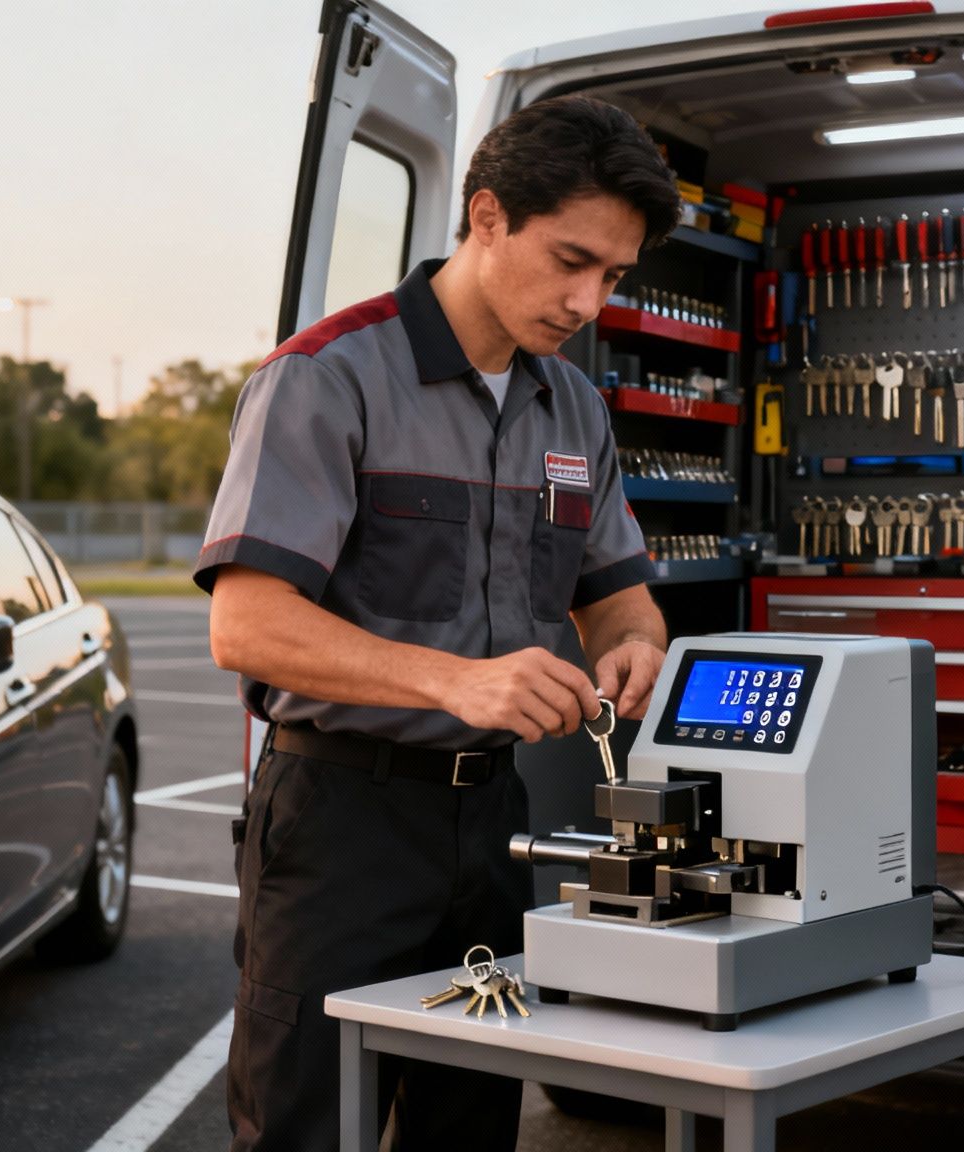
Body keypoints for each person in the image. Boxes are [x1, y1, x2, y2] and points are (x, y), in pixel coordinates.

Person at [197, 94, 680, 1152]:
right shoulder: (326, 378)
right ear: (487, 215)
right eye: (570, 261)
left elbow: (614, 591)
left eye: (612, 276)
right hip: (340, 825)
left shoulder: (574, 411)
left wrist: (631, 644)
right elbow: (247, 625)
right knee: (305, 1129)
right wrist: (451, 679)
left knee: (465, 1124)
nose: (587, 301)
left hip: (492, 828)